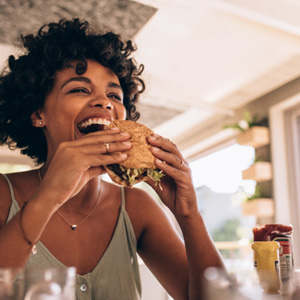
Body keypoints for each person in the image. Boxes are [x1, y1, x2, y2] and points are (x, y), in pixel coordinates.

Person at [0, 18, 224, 299]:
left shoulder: (136, 207)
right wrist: (49, 197)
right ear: (37, 114)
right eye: (80, 89)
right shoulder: (2, 194)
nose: (104, 102)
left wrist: (189, 214)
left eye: (114, 95)